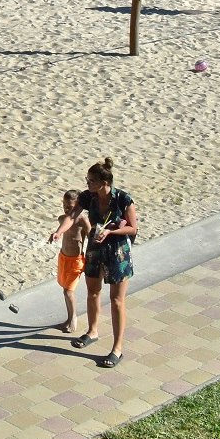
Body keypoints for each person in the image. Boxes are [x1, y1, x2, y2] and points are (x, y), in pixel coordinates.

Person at [74, 157, 137, 368]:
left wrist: (111, 231)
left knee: (116, 300)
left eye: (91, 181)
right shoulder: (88, 197)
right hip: (95, 248)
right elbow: (72, 215)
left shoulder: (122, 199)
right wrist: (59, 231)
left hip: (118, 251)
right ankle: (92, 331)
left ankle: (117, 349)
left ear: (105, 183)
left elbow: (133, 228)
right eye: (87, 180)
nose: (88, 184)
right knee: (92, 291)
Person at [47, 189, 90, 334]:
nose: (66, 209)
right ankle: (69, 317)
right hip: (64, 258)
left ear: (78, 206)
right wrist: (55, 235)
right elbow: (60, 230)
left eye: (70, 207)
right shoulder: (62, 219)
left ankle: (73, 319)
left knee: (68, 291)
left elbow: (90, 236)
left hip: (76, 260)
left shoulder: (83, 220)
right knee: (65, 289)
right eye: (64, 205)